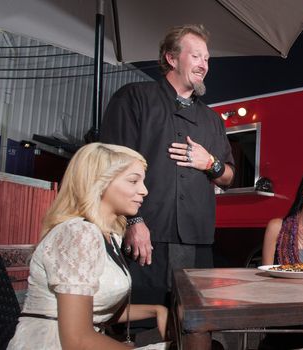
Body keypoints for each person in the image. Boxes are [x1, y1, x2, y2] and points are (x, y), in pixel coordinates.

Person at [100, 24, 235, 315]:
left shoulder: (212, 120)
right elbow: (111, 166)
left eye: (207, 59)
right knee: (141, 324)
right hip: (147, 238)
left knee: (192, 325)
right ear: (172, 58)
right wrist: (133, 222)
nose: (204, 65)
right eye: (196, 56)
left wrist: (209, 162)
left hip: (198, 243)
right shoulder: (134, 98)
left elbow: (229, 177)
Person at [8, 143, 167, 350]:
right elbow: (77, 341)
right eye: (133, 181)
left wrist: (156, 310)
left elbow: (95, 308)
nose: (144, 191)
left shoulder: (108, 235)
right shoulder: (78, 234)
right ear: (99, 183)